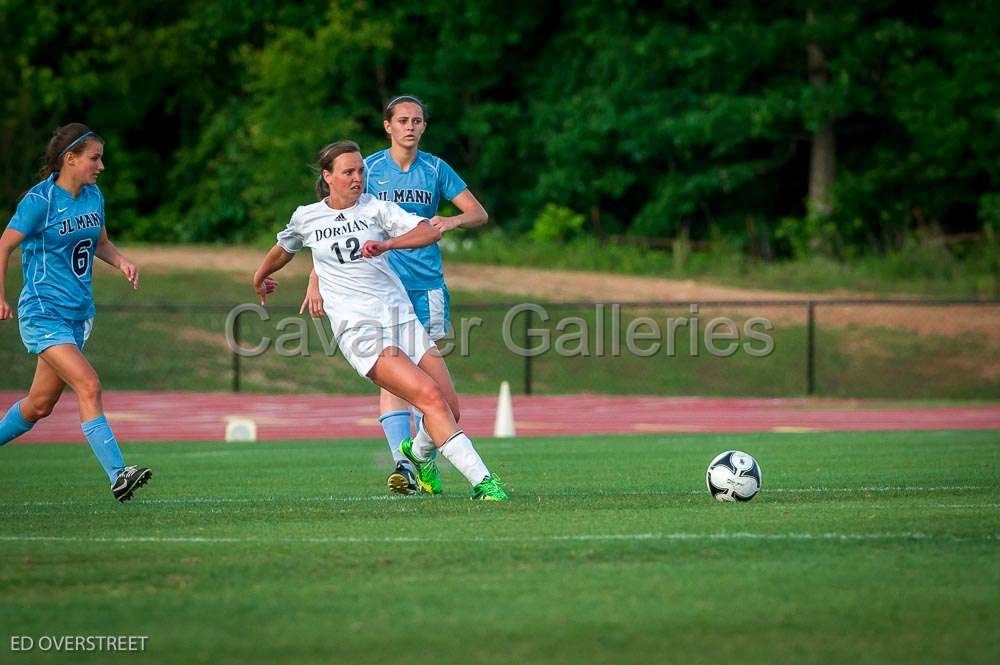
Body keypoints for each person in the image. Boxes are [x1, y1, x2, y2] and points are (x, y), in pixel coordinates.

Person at [255, 140, 506, 501]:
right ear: (327, 177)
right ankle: (483, 483)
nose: (358, 178)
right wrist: (259, 276)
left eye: (361, 171)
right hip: (360, 332)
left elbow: (430, 231)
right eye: (348, 172)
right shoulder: (306, 217)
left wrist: (388, 245)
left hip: (400, 318)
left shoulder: (377, 209)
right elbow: (284, 248)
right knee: (430, 398)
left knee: (451, 407)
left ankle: (416, 454)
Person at [300, 96, 488, 495]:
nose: (410, 127)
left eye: (417, 121)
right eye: (402, 120)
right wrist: (315, 279)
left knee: (434, 384)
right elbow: (332, 228)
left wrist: (449, 221)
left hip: (426, 286)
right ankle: (403, 465)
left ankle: (425, 458)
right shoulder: (366, 169)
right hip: (379, 292)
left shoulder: (436, 168)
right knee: (396, 377)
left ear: (424, 126)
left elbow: (478, 213)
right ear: (388, 126)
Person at [0, 123, 151, 502]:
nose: (100, 166)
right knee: (89, 385)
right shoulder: (40, 201)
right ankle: (119, 474)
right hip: (43, 313)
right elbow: (3, 246)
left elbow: (100, 242)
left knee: (38, 406)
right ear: (70, 158)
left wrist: (121, 262)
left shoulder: (92, 195)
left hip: (78, 314)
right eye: (94, 158)